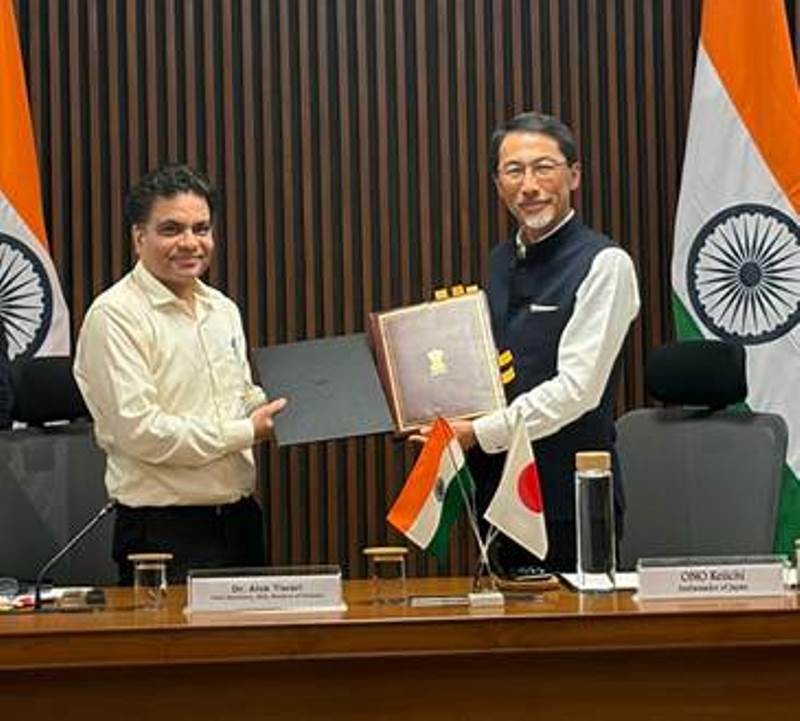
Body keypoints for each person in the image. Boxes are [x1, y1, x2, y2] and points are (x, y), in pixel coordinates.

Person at [74, 164, 286, 584]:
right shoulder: (114, 316)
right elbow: (142, 432)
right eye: (171, 229)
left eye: (201, 229)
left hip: (239, 520)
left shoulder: (222, 309)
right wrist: (247, 431)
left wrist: (294, 407)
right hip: (162, 533)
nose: (190, 243)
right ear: (139, 238)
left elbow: (239, 395)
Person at [448, 112, 640, 574]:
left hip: (570, 501)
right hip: (500, 495)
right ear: (498, 185)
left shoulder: (605, 264)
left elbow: (577, 390)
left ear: (574, 176)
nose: (529, 185)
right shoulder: (500, 262)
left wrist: (478, 433)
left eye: (544, 168)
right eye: (514, 171)